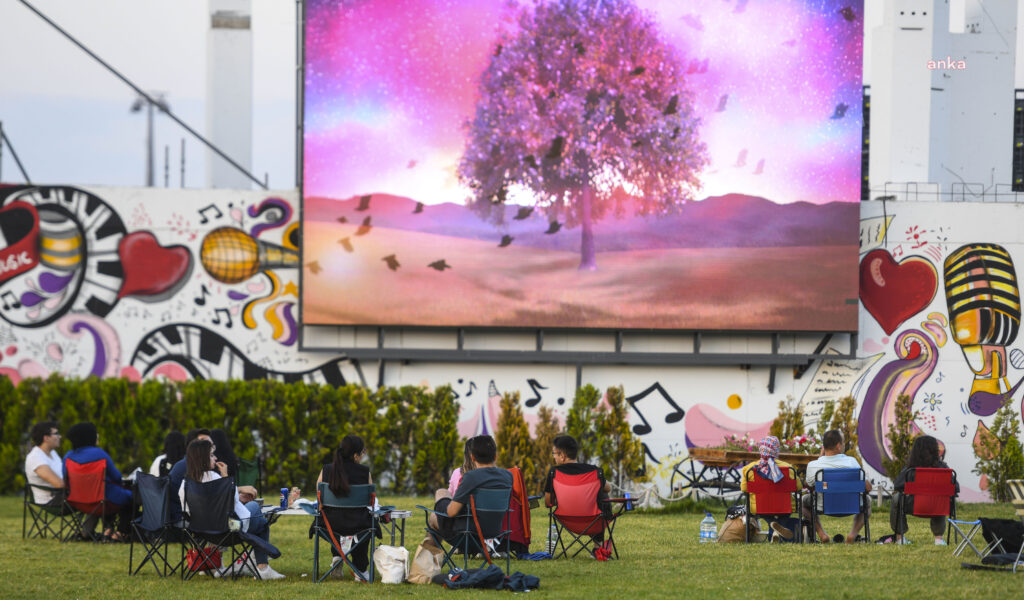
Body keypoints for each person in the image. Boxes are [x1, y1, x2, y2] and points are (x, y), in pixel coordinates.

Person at [179, 438, 285, 580]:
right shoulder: (216, 478)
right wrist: (225, 477)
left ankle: (254, 564)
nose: (215, 458)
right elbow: (232, 506)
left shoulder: (185, 485)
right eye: (211, 455)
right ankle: (262, 567)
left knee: (257, 517)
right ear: (202, 458)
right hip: (229, 531)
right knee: (259, 516)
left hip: (204, 534)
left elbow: (188, 512)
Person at [315, 435, 377, 581]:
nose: (363, 456)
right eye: (363, 452)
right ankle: (360, 570)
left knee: (335, 518)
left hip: (329, 526)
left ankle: (337, 556)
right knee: (365, 524)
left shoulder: (326, 470)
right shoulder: (364, 472)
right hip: (358, 525)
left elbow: (320, 499)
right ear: (355, 455)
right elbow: (371, 500)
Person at [430, 435, 513, 545]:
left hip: (468, 536)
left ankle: (429, 557)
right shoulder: (508, 476)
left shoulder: (471, 477)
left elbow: (451, 512)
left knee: (435, 509)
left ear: (472, 457)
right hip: (495, 535)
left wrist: (443, 503)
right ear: (495, 456)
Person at [63, 422, 133, 541]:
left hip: (77, 501)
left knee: (99, 496)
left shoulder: (68, 456)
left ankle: (88, 533)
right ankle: (120, 532)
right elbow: (116, 477)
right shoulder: (99, 454)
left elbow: (65, 478)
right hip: (103, 501)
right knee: (131, 497)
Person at [801, 429, 872, 543]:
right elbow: (868, 488)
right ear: (838, 446)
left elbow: (809, 486)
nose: (844, 445)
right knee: (867, 501)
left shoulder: (813, 465)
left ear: (824, 447)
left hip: (823, 506)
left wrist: (820, 458)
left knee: (803, 502)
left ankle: (822, 534)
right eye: (843, 442)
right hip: (851, 505)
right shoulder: (852, 462)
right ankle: (853, 534)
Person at [889, 435, 958, 545]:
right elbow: (955, 488)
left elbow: (897, 486)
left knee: (896, 498)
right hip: (937, 507)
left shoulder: (910, 469)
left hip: (913, 506)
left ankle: (899, 537)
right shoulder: (944, 468)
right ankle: (939, 539)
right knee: (941, 498)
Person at [740, 435, 796, 541]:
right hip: (784, 506)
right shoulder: (788, 468)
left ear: (761, 449)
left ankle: (774, 530)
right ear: (776, 450)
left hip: (760, 506)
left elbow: (744, 488)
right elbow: (798, 487)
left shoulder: (749, 469)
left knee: (766, 513)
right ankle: (776, 531)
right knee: (784, 514)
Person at [25, 421, 65, 507]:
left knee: (96, 498)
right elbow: (59, 484)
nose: (60, 436)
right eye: (56, 434)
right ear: (46, 438)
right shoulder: (35, 457)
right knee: (94, 500)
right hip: (51, 500)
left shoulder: (53, 453)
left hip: (62, 496)